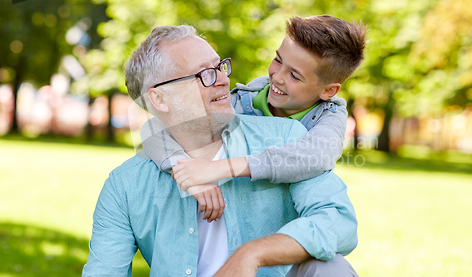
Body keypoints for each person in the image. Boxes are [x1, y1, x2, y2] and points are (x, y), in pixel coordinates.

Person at [74, 25, 363, 277]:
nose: (224, 80)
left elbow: (339, 223)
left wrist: (252, 253)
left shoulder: (290, 137)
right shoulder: (127, 184)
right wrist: (182, 166)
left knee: (330, 271)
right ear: (159, 98)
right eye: (204, 75)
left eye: (219, 67)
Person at [141, 16, 367, 221]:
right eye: (278, 60)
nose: (277, 77)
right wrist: (188, 172)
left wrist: (221, 168)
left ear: (328, 91)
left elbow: (315, 156)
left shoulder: (329, 115)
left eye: (294, 76)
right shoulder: (241, 101)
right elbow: (155, 129)